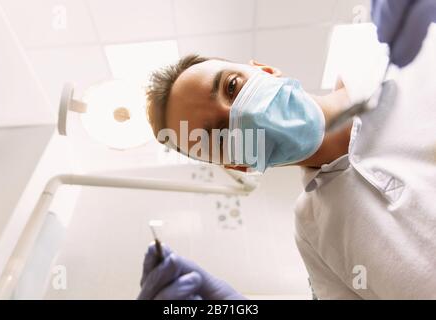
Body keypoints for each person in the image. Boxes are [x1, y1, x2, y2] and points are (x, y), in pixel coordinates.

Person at [138, 2, 436, 300]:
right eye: (219, 136)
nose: (241, 114)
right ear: (240, 165)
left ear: (266, 70)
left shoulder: (407, 54)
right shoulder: (312, 231)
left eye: (232, 87)